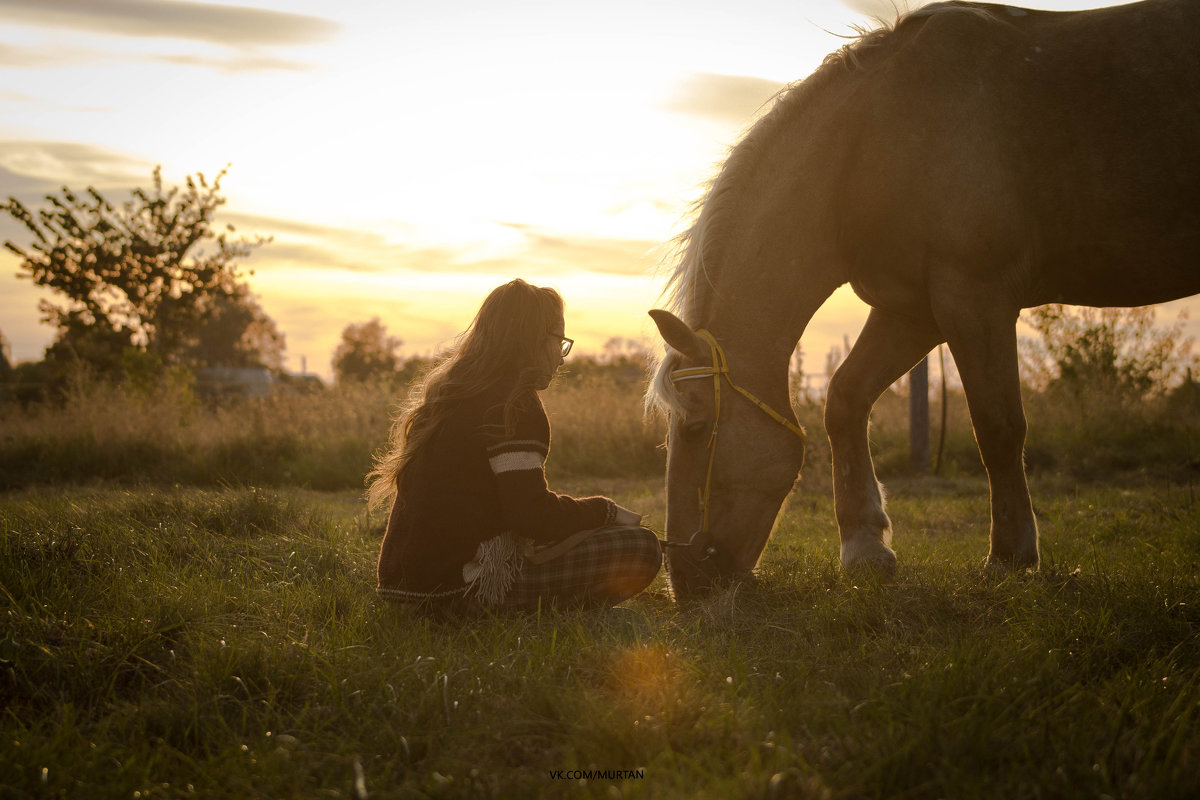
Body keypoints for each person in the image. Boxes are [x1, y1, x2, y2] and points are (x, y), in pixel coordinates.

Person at [367, 278, 662, 612]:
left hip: (400, 590)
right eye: (559, 341)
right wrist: (604, 512)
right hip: (456, 593)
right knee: (641, 548)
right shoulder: (513, 405)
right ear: (532, 338)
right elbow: (531, 517)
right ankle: (544, 610)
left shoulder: (449, 394)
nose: (562, 358)